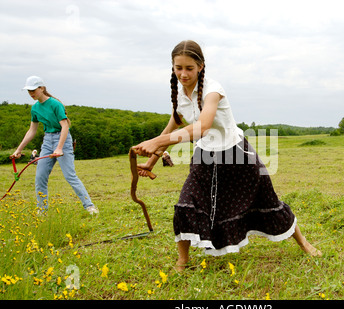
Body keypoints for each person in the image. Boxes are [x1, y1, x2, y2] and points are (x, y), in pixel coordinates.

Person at [132, 40, 321, 271]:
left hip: (237, 156)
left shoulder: (213, 89)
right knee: (186, 203)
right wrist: (151, 161)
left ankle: (304, 244)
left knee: (268, 202)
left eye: (189, 68)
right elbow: (171, 127)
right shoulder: (180, 95)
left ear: (201, 66)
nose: (183, 74)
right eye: (178, 68)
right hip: (205, 158)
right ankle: (182, 261)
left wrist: (156, 142)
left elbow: (202, 127)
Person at [11, 76, 99, 215]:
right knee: (40, 177)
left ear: (42, 88)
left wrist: (59, 148)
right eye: (29, 91)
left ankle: (90, 206)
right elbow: (32, 130)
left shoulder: (55, 104)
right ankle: (42, 210)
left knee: (70, 176)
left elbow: (65, 126)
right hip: (47, 140)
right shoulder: (35, 108)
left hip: (62, 139)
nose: (31, 93)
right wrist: (18, 150)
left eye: (33, 90)